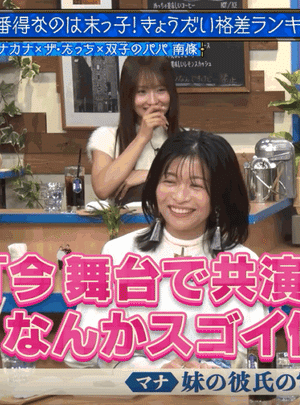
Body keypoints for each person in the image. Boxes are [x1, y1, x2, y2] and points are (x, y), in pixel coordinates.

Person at [66, 130, 268, 369]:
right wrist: (152, 370)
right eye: (170, 181)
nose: (180, 197)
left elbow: (252, 351)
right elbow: (82, 351)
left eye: (196, 185)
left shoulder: (242, 261)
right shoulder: (118, 253)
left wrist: (213, 371)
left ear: (220, 194)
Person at [87, 56, 181, 204]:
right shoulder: (105, 136)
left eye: (161, 90)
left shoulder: (186, 139)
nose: (153, 101)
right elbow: (102, 189)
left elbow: (198, 182)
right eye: (142, 92)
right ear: (128, 96)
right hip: (123, 219)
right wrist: (142, 137)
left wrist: (149, 175)